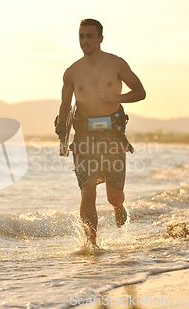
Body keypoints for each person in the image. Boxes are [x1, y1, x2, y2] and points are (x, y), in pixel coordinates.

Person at [55, 18, 146, 246]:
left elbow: (140, 92)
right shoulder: (72, 72)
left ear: (100, 38)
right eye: (81, 37)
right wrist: (62, 138)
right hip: (84, 136)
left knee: (112, 196)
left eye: (89, 36)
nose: (84, 41)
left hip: (112, 134)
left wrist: (118, 97)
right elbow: (64, 107)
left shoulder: (116, 64)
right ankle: (92, 244)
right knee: (87, 190)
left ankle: (119, 204)